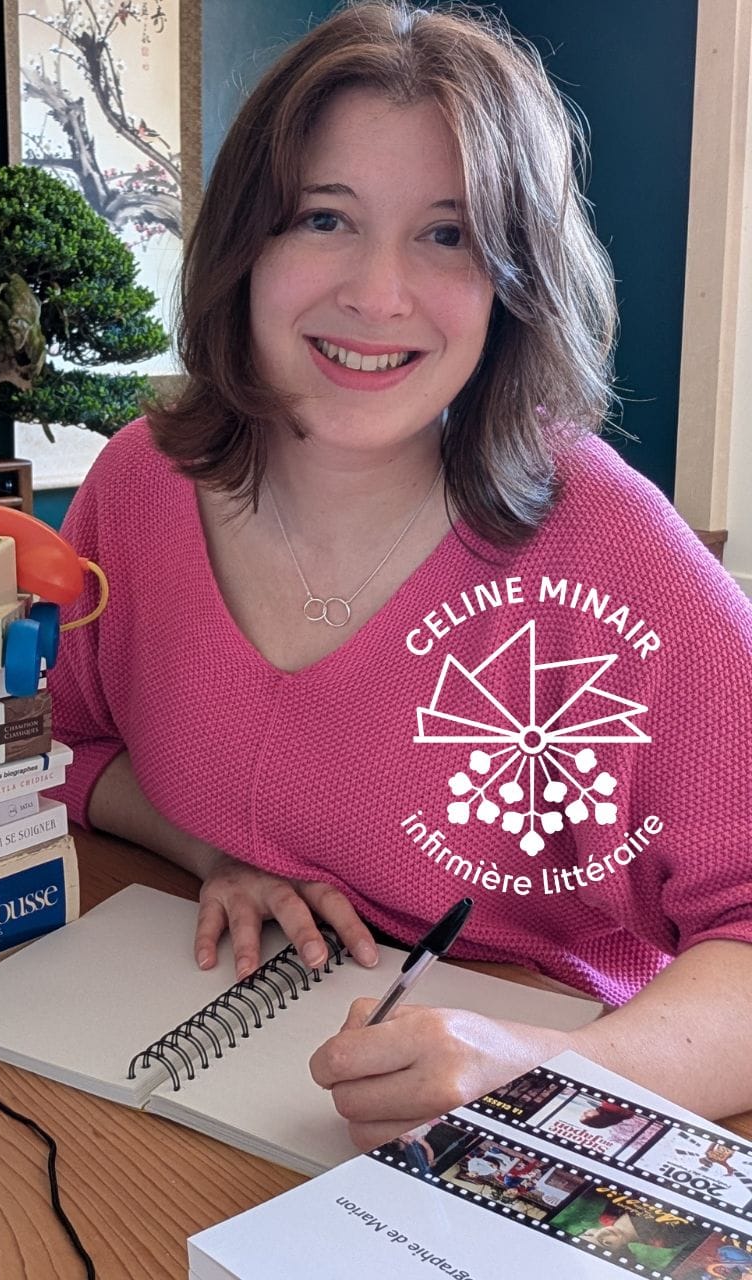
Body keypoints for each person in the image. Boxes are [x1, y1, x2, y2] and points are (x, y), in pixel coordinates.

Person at [46, 0, 752, 1150]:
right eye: (323, 218)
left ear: (514, 278)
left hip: (519, 1130)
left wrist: (540, 1073)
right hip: (162, 1087)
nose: (376, 294)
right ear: (243, 245)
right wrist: (217, 849)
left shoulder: (610, 547)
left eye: (446, 235)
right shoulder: (135, 486)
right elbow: (60, 744)